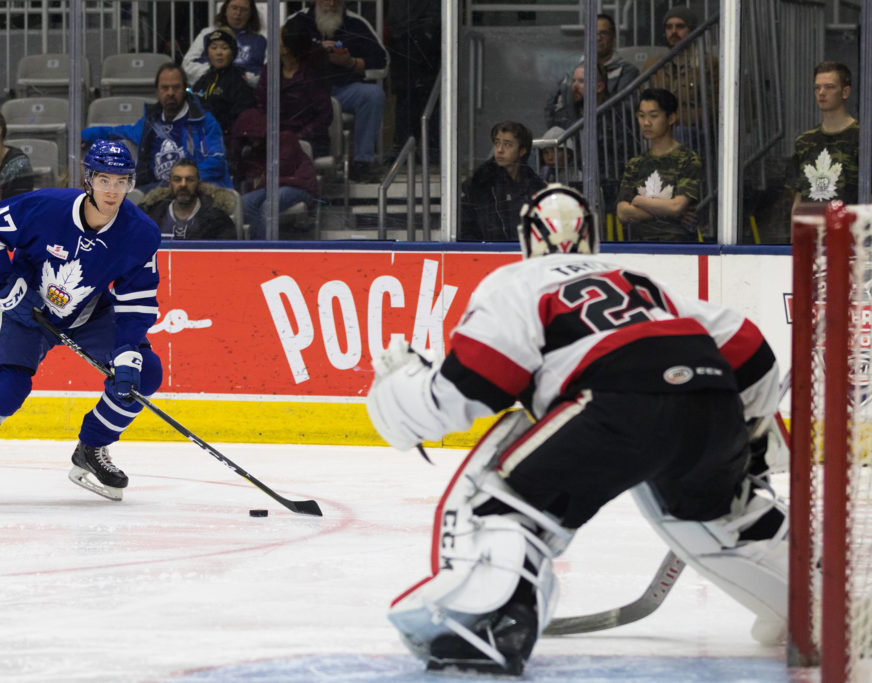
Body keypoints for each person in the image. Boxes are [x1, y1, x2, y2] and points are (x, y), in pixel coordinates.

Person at [366, 184, 787, 677]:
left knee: (501, 498)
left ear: (527, 237)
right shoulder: (638, 278)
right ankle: (822, 602)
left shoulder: (516, 282)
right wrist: (751, 441)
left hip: (615, 402)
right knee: (727, 514)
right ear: (591, 237)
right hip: (712, 402)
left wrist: (400, 388)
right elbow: (749, 348)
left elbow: (469, 391)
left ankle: (489, 628)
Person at [0, 140, 163, 505]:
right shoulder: (47, 207)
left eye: (121, 181)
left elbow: (136, 298)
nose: (112, 191)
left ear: (130, 183)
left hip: (89, 313)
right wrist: (6, 290)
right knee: (6, 391)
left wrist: (127, 350)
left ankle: (92, 448)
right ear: (89, 179)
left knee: (146, 373)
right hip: (26, 311)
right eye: (104, 180)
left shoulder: (140, 232)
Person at [82, 62, 232, 192]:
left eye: (176, 87)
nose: (170, 93)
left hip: (192, 190)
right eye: (165, 88)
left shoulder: (203, 122)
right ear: (157, 91)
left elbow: (215, 162)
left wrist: (181, 180)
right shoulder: (150, 123)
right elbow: (116, 131)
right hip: (155, 191)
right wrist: (83, 135)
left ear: (185, 88)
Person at [287, 0, 390, 183]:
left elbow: (382, 62)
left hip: (343, 90)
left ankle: (362, 163)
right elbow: (278, 55)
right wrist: (316, 54)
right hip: (306, 91)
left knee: (373, 94)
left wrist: (350, 63)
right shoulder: (298, 21)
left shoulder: (356, 23)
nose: (332, 3)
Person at [616, 88, 702, 241]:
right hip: (638, 249)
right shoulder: (635, 164)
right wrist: (669, 211)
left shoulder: (688, 160)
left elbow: (677, 206)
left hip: (679, 249)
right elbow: (622, 212)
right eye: (641, 116)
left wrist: (639, 201)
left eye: (654, 116)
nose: (646, 123)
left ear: (671, 118)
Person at [231, 108, 319, 240]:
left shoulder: (286, 138)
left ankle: (269, 250)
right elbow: (253, 179)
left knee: (269, 206)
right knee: (245, 203)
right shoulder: (252, 151)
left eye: (254, 137)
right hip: (272, 186)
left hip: (298, 186)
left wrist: (262, 179)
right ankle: (258, 246)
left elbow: (281, 170)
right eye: (248, 138)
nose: (251, 141)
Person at [641, 5, 719, 153]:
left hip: (695, 134)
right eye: (669, 27)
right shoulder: (653, 66)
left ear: (692, 30)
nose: (674, 32)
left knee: (680, 133)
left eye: (680, 27)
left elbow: (713, 109)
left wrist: (671, 119)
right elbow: (642, 105)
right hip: (658, 131)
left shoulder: (709, 65)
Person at [254, 15, 333, 158]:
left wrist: (296, 137)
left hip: (307, 140)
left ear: (286, 50)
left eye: (278, 38)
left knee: (286, 153)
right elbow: (260, 104)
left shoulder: (312, 74)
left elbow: (324, 116)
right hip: (274, 137)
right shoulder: (270, 70)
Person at [543, 14, 640, 129]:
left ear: (614, 38)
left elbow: (626, 111)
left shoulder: (628, 72)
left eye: (603, 33)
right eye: (593, 33)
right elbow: (552, 109)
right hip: (572, 137)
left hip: (610, 138)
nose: (598, 38)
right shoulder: (572, 71)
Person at [458, 121, 546, 242]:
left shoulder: (535, 184)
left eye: (507, 145)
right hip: (488, 254)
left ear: (522, 151)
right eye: (497, 143)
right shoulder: (480, 181)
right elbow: (465, 225)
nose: (499, 150)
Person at [789, 61, 860, 207]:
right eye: (817, 87)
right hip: (811, 227)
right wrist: (795, 229)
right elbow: (798, 199)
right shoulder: (804, 142)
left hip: (851, 226)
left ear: (845, 92)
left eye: (829, 87)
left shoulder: (863, 139)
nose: (821, 92)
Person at [386, 0, 441, 159]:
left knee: (425, 94)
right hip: (405, 41)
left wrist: (426, 34)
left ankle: (428, 148)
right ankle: (407, 147)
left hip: (424, 41)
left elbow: (435, 16)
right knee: (407, 95)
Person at [141, 158, 236, 239]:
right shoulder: (150, 214)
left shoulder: (218, 221)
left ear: (199, 184)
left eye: (190, 180)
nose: (183, 184)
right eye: (177, 179)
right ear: (170, 184)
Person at [182, 0, 267, 88]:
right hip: (209, 90)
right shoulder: (208, 33)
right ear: (225, 10)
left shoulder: (262, 38)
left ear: (251, 14)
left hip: (246, 92)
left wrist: (248, 79)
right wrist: (216, 74)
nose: (238, 13)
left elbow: (269, 74)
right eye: (234, 8)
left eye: (244, 10)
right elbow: (187, 66)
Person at [191, 28, 256, 138]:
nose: (219, 53)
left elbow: (240, 118)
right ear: (207, 52)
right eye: (214, 47)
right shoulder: (202, 81)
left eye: (224, 48)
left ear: (233, 52)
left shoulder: (238, 81)